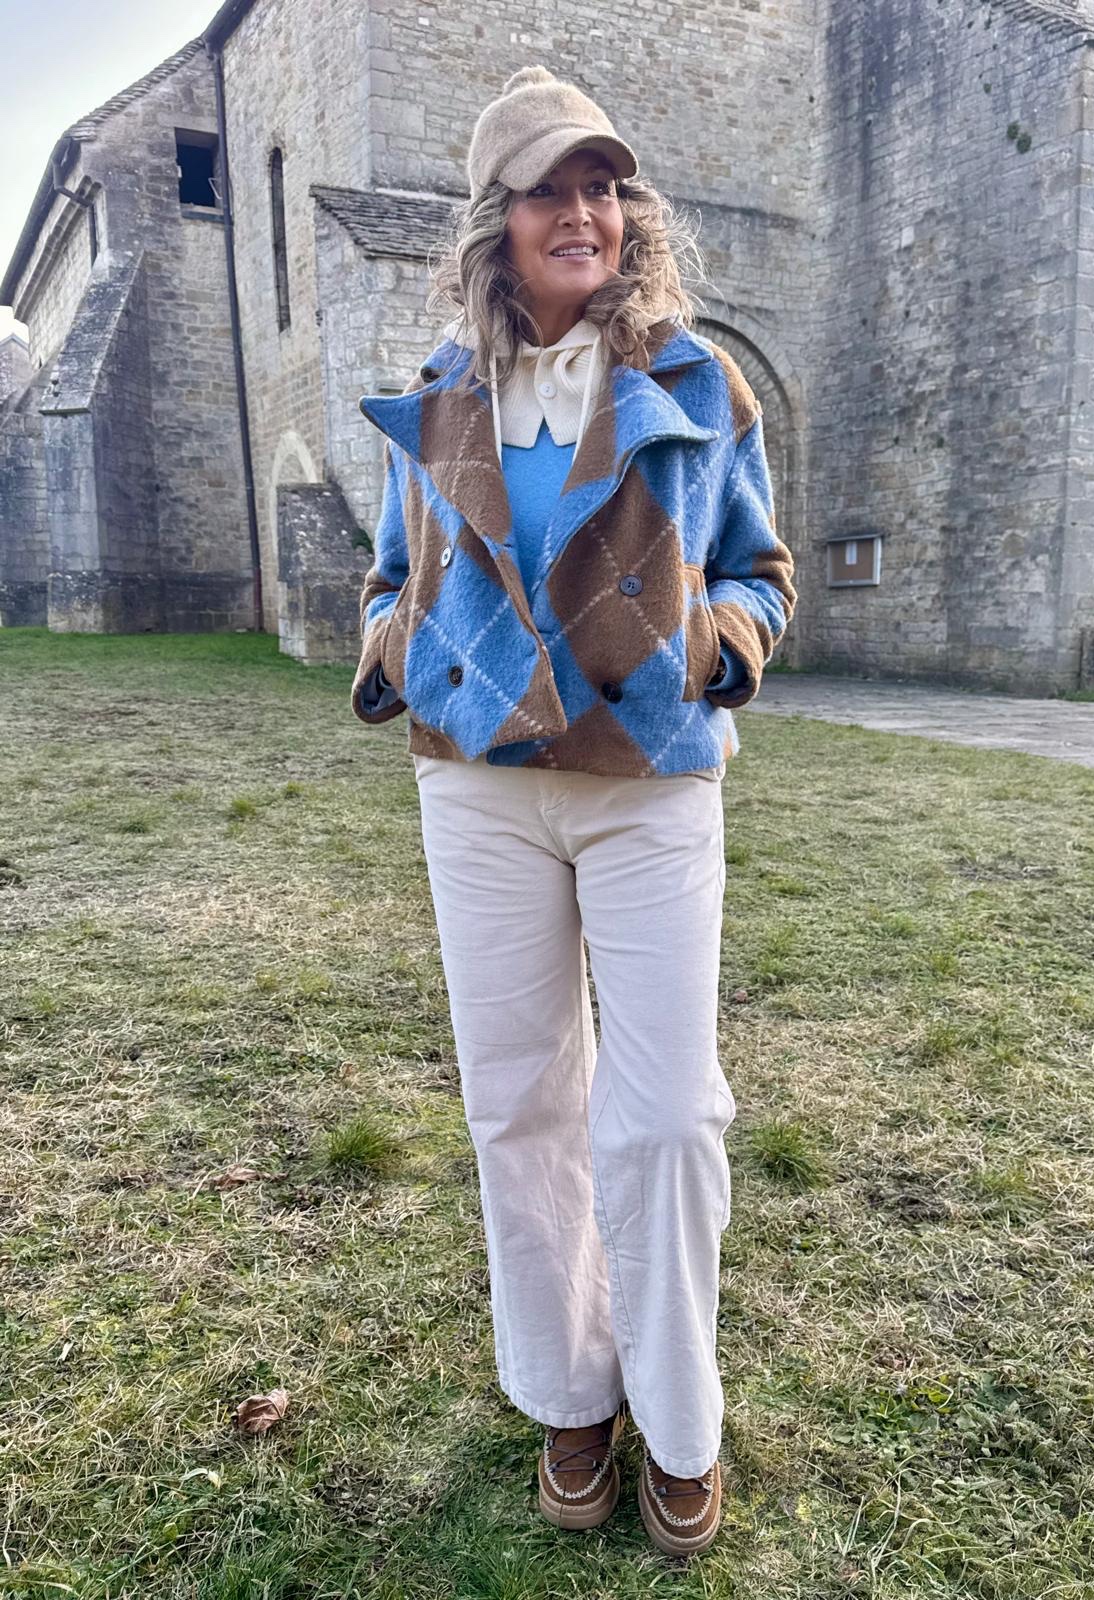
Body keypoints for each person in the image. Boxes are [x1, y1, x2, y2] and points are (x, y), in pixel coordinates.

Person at [350, 65, 796, 1558]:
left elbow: (761, 571)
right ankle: (568, 1394)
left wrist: (714, 646)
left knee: (664, 1116)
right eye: (550, 187)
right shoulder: (438, 392)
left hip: (646, 781)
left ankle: (680, 1417)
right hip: (476, 791)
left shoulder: (698, 382)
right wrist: (394, 644)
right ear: (498, 219)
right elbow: (391, 570)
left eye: (603, 186)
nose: (584, 212)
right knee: (519, 1104)